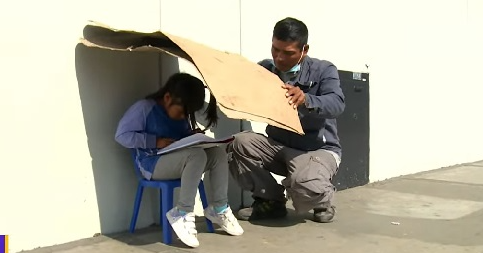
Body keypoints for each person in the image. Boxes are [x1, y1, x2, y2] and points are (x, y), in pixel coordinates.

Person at [227, 17, 345, 223]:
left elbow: (337, 104)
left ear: (304, 50)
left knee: (305, 185)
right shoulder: (265, 69)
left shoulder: (324, 70)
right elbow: (239, 85)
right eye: (275, 50)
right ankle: (271, 201)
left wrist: (307, 100)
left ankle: (321, 199)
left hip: (314, 151)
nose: (279, 58)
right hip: (277, 146)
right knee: (238, 143)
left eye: (288, 53)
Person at [115, 73, 244, 248]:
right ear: (167, 98)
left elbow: (181, 138)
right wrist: (154, 141)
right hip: (151, 164)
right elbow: (122, 136)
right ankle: (182, 211)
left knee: (217, 154)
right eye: (182, 111)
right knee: (196, 156)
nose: (183, 116)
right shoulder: (144, 108)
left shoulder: (181, 113)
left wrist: (193, 136)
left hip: (178, 159)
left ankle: (219, 208)